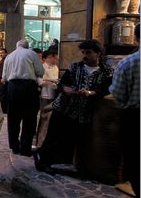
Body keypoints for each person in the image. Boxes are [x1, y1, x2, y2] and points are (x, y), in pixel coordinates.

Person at [34, 39, 113, 175]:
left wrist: (91, 92)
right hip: (63, 108)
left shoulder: (107, 72)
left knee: (70, 139)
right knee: (54, 136)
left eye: (88, 52)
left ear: (98, 53)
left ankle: (56, 160)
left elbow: (106, 89)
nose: (85, 55)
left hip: (83, 112)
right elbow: (63, 83)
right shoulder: (74, 67)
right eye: (83, 52)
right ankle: (43, 162)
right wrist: (65, 88)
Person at [109, 24, 139, 198]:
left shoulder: (128, 62)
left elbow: (118, 94)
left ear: (135, 38)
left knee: (135, 158)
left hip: (135, 117)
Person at [2, 39, 44, 156]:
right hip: (28, 87)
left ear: (17, 46)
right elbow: (40, 71)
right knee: (29, 118)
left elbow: (3, 77)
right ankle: (25, 148)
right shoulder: (32, 54)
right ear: (27, 46)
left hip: (12, 88)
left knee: (13, 118)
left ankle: (15, 146)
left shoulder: (9, 56)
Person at [0, 48, 8, 113]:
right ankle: (3, 109)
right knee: (2, 95)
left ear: (6, 53)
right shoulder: (2, 61)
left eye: (2, 53)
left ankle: (2, 109)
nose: (1, 54)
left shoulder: (6, 61)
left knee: (1, 95)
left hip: (4, 80)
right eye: (0, 53)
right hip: (1, 79)